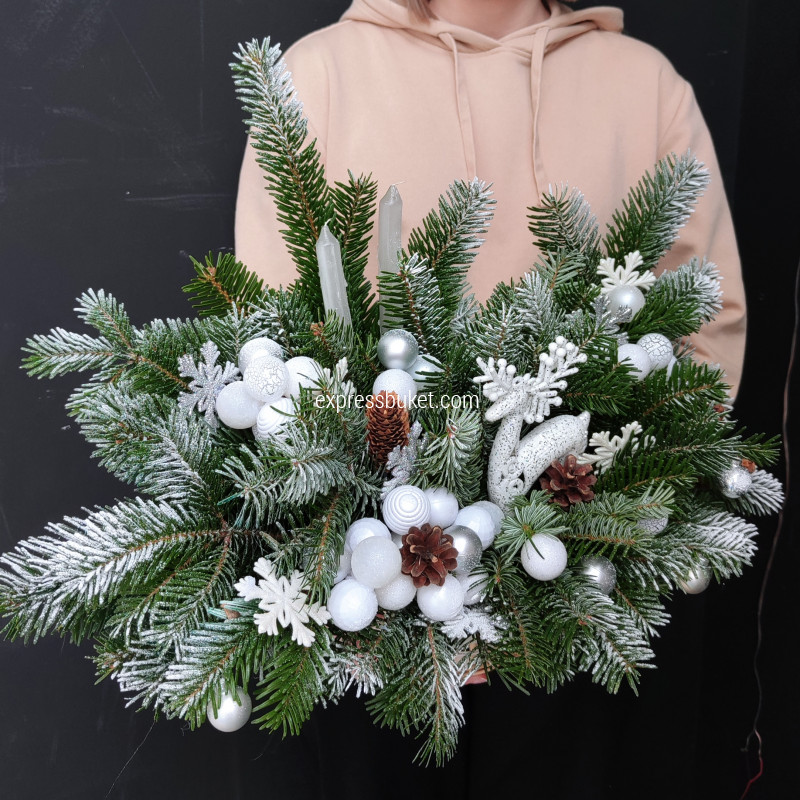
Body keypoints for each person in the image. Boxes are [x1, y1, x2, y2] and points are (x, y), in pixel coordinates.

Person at [235, 0, 747, 397]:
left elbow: (706, 320)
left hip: (596, 488)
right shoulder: (319, 74)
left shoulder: (647, 85)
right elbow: (272, 330)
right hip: (377, 489)